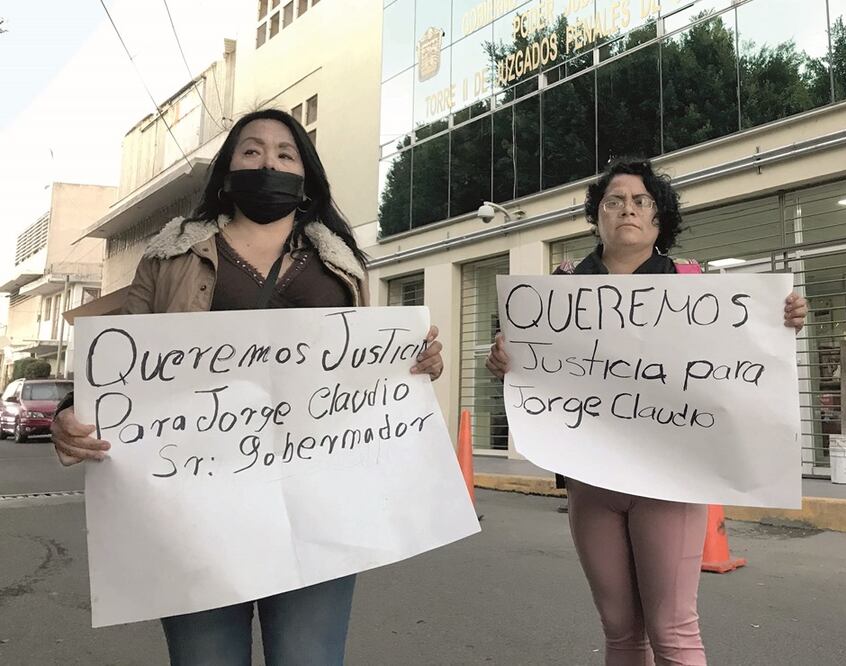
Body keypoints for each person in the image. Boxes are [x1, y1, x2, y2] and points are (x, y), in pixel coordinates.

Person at [50, 109, 445, 665]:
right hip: (195, 510)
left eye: (286, 154)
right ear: (228, 170)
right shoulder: (167, 259)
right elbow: (119, 362)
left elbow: (365, 373)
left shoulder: (341, 264)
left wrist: (415, 360)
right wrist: (71, 411)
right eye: (251, 151)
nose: (269, 162)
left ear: (306, 176)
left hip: (320, 506)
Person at [486, 158, 807, 666]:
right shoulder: (561, 288)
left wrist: (781, 319)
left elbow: (741, 355)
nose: (627, 210)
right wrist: (504, 362)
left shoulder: (693, 283)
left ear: (660, 218)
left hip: (671, 481)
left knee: (673, 630)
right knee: (619, 630)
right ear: (597, 217)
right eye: (613, 201)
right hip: (591, 482)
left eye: (641, 201)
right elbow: (526, 369)